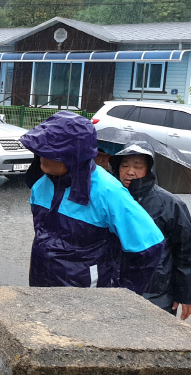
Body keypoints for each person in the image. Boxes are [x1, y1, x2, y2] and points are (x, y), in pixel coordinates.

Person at [20, 111, 164, 294]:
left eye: (50, 152)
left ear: (73, 156)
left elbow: (149, 245)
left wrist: (123, 296)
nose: (41, 155)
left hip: (87, 300)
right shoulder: (41, 186)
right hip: (40, 289)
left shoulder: (108, 192)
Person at [110, 141, 191, 320]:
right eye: (125, 165)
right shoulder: (108, 197)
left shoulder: (171, 205)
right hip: (113, 289)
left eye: (138, 166)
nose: (130, 171)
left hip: (157, 292)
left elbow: (185, 253)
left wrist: (184, 294)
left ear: (149, 169)